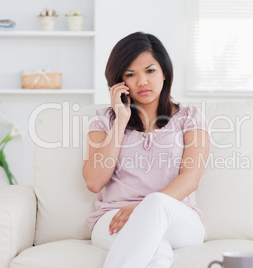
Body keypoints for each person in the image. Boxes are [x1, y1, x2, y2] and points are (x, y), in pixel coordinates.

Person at [82, 31, 210, 268]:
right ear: (119, 82)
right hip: (115, 218)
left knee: (156, 204)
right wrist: (120, 120)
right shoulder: (103, 120)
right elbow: (94, 182)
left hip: (177, 217)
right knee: (156, 251)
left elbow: (190, 179)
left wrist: (143, 208)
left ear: (164, 72)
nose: (142, 81)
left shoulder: (190, 117)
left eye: (150, 71)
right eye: (131, 74)